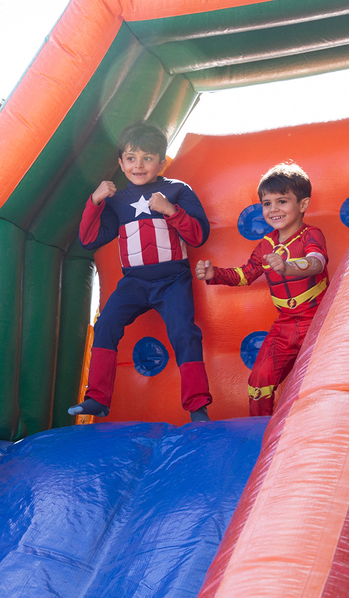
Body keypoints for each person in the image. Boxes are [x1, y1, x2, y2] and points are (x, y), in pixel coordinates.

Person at [68, 122, 213, 423]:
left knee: (185, 333)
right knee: (105, 323)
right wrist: (94, 202)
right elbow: (88, 238)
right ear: (121, 163)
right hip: (134, 282)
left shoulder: (176, 190)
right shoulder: (117, 201)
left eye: (148, 158)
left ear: (161, 162)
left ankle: (197, 407)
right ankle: (97, 399)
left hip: (173, 281)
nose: (139, 165)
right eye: (131, 158)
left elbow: (198, 236)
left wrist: (171, 211)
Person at [195, 162, 328, 416]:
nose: (274, 209)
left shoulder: (311, 235)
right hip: (286, 324)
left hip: (318, 322)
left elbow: (316, 262)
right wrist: (216, 274)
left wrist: (288, 266)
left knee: (321, 380)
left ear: (302, 205)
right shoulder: (266, 245)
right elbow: (246, 274)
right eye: (267, 203)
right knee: (258, 383)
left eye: (282, 201)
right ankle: (259, 435)